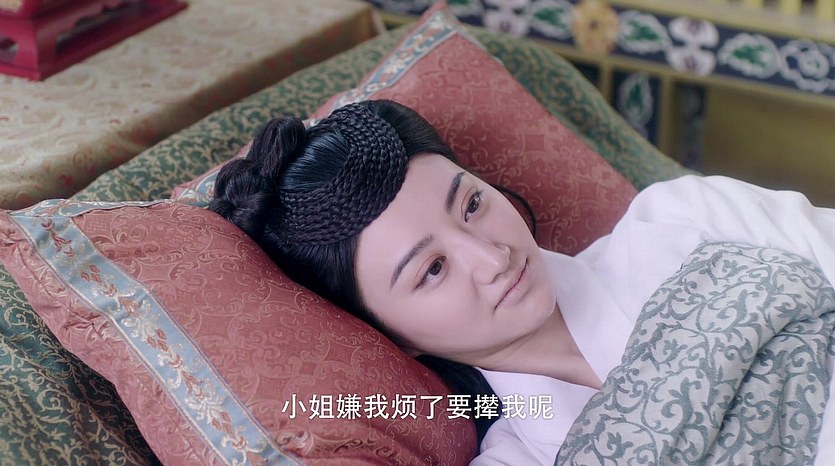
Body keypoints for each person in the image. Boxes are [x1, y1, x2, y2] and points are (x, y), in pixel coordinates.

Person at [209, 99, 835, 465]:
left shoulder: (685, 217)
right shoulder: (522, 455)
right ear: (394, 338)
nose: (491, 257)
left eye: (472, 204)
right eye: (432, 269)